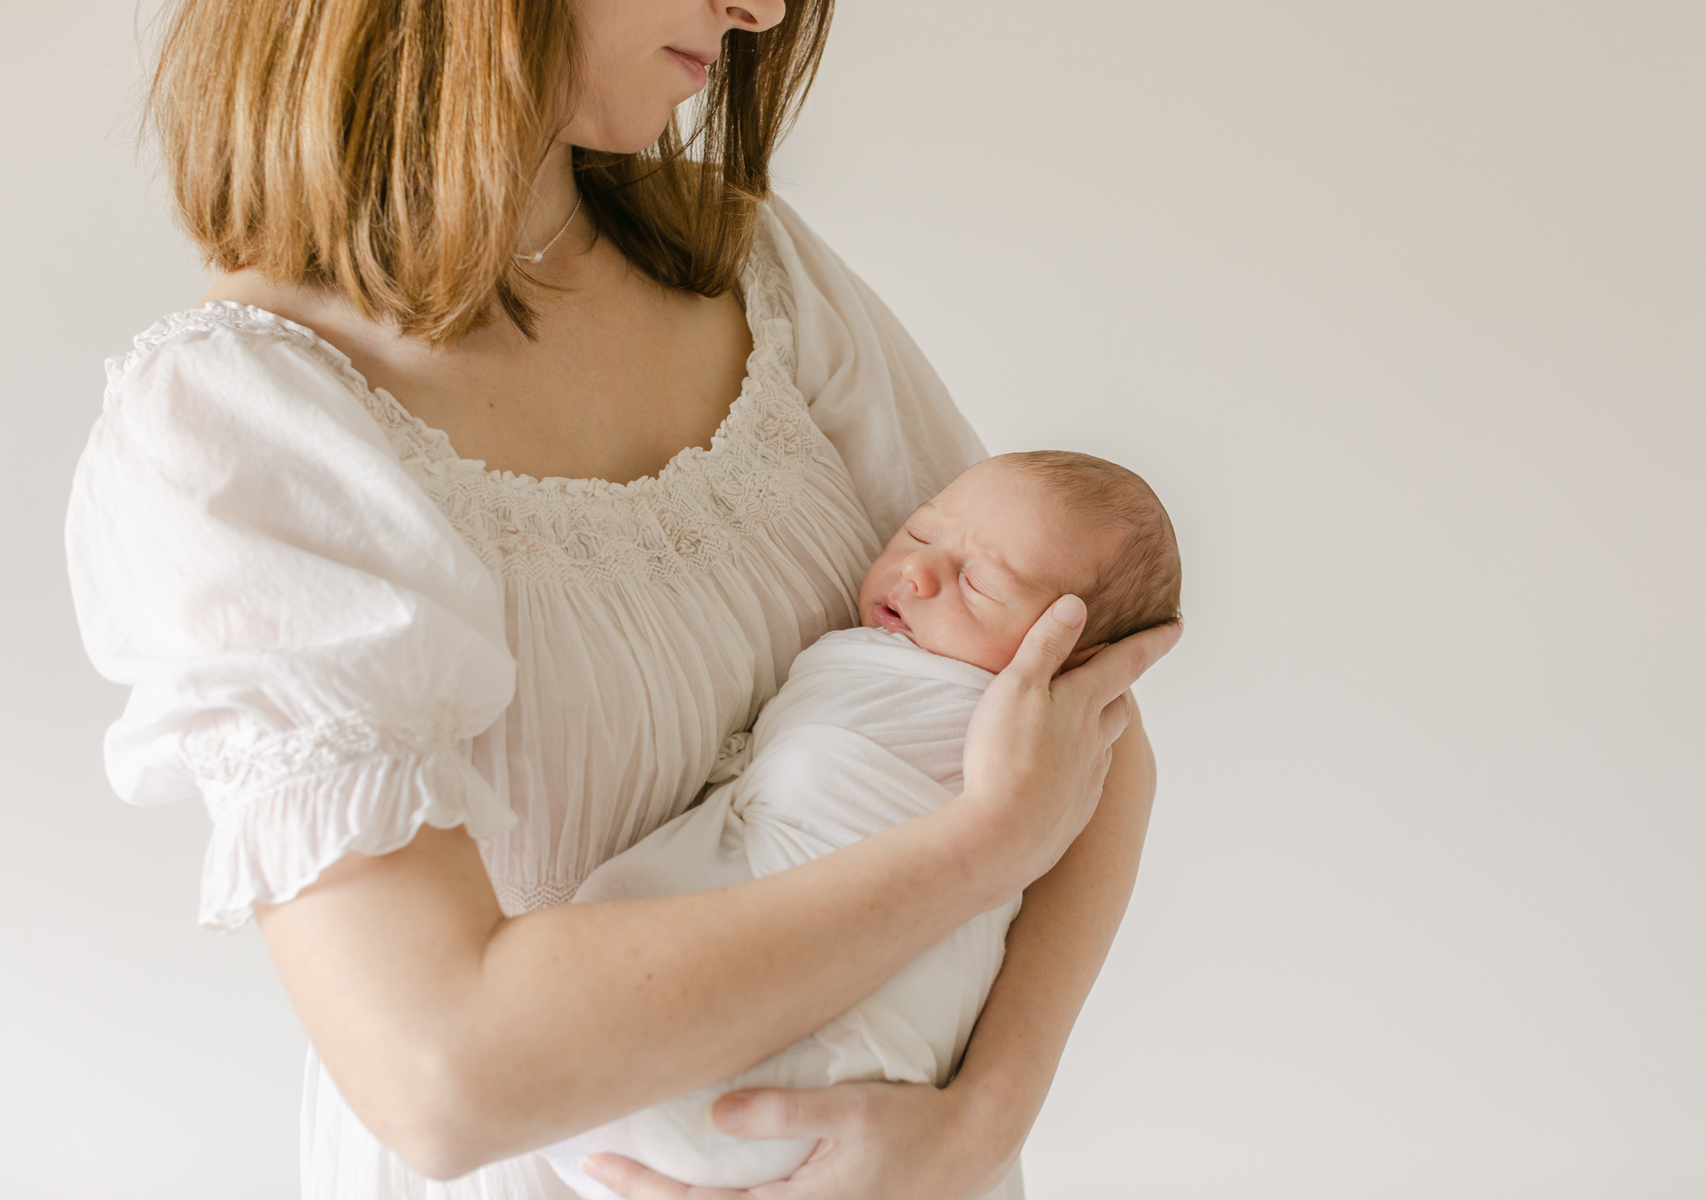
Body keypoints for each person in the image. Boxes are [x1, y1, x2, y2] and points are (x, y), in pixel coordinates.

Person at [64, 1, 1181, 1196]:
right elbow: (446, 1076)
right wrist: (980, 850)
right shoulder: (240, 423)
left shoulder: (754, 265)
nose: (759, 11)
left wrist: (978, 1127)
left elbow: (1091, 719)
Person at [537, 451, 1182, 1197]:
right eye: (917, 534)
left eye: (979, 583)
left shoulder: (1012, 721)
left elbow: (1110, 736)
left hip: (842, 1097)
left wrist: (987, 1122)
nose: (918, 574)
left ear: (1076, 661)